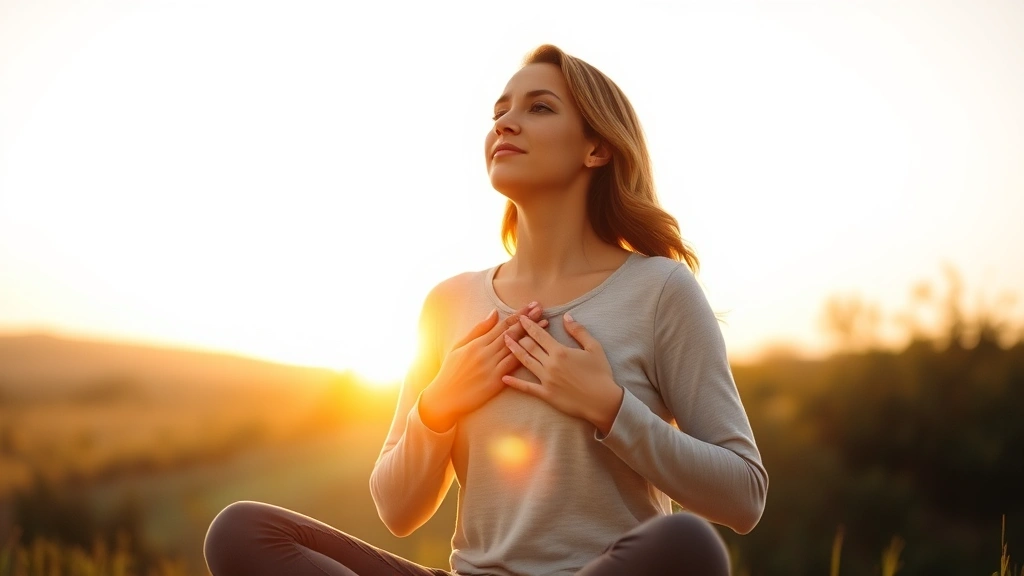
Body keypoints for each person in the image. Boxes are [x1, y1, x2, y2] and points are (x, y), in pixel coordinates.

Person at [204, 44, 767, 576]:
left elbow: (744, 495)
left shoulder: (660, 290)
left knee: (687, 546)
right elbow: (398, 510)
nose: (505, 123)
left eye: (539, 107)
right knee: (243, 531)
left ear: (596, 148)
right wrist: (439, 405)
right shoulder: (449, 303)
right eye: (499, 111)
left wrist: (611, 409)